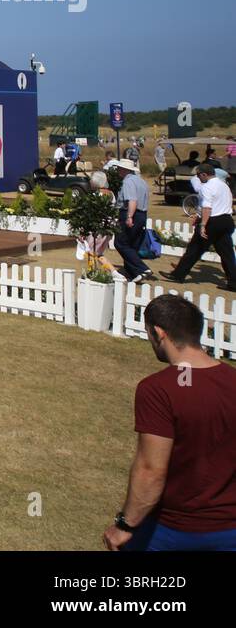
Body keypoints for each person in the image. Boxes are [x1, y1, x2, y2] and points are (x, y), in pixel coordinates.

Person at [103, 294, 236, 551]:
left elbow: (151, 469)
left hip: (172, 530)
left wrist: (125, 526)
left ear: (158, 333)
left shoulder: (157, 390)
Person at [165, 163, 236, 291]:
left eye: (198, 175)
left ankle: (178, 275)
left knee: (195, 248)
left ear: (204, 174)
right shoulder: (223, 185)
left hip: (213, 221)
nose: (198, 178)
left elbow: (207, 207)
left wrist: (203, 224)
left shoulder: (207, 187)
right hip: (227, 220)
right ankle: (233, 282)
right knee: (227, 253)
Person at [113, 158, 152, 283]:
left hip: (130, 213)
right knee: (132, 244)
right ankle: (133, 272)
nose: (118, 170)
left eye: (119, 168)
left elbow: (132, 200)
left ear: (124, 169)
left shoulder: (128, 182)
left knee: (120, 243)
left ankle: (141, 269)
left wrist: (129, 216)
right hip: (142, 214)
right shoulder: (141, 181)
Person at [76, 171, 117, 274]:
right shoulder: (111, 194)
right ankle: (115, 273)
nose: (90, 181)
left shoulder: (97, 195)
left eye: (91, 180)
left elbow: (92, 214)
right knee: (98, 253)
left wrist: (83, 231)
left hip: (97, 227)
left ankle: (93, 273)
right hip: (108, 227)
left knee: (91, 252)